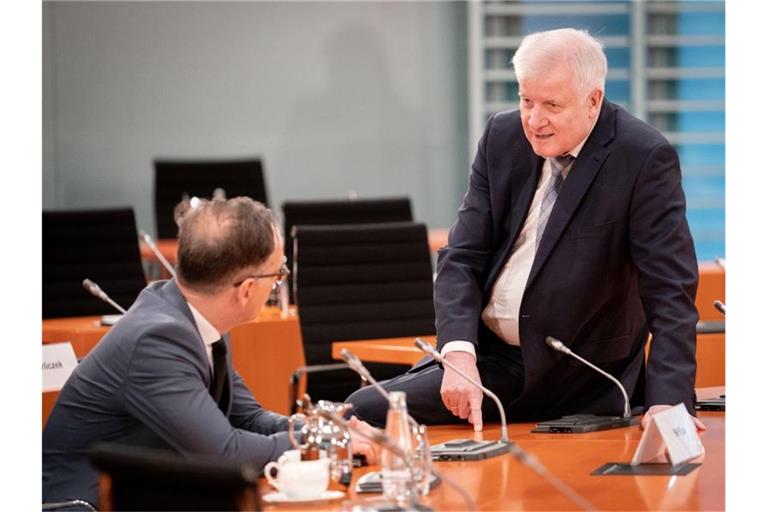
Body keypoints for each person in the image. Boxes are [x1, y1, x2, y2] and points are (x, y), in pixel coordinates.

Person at [347, 28, 705, 433]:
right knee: (358, 412)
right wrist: (459, 352)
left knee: (363, 410)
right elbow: (462, 257)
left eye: (551, 104)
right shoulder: (502, 137)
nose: (535, 121)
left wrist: (669, 401)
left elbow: (670, 289)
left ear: (593, 101)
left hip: (573, 369)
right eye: (525, 100)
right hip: (484, 354)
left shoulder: (641, 157)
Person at [43, 197, 379, 508]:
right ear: (247, 290)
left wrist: (316, 426)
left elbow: (248, 418)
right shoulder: (157, 340)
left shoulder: (195, 316)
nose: (278, 282)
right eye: (278, 274)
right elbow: (223, 452)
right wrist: (317, 440)